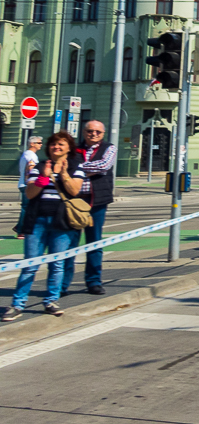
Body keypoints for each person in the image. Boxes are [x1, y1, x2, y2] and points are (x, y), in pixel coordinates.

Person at [2, 132, 86, 321]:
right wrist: (43, 178)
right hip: (37, 221)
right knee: (30, 264)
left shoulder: (75, 167)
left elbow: (74, 190)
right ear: (48, 148)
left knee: (57, 265)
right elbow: (30, 194)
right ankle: (17, 304)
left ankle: (51, 301)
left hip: (62, 222)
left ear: (69, 148)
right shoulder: (39, 167)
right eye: (54, 144)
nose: (57, 147)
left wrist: (63, 174)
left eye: (61, 144)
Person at [63, 120, 117, 296]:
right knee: (69, 244)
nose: (93, 134)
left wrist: (77, 169)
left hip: (97, 202)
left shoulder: (109, 148)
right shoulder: (73, 149)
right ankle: (62, 285)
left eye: (98, 132)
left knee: (95, 243)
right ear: (84, 132)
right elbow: (67, 169)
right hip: (74, 202)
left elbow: (103, 166)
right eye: (90, 131)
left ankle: (94, 282)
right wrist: (83, 169)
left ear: (103, 134)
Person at [13, 135, 43, 239]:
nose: (41, 145)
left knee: (27, 207)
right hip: (27, 185)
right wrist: (34, 183)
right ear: (32, 144)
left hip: (24, 184)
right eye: (39, 143)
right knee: (27, 208)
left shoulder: (26, 154)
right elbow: (31, 169)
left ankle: (19, 227)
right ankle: (21, 231)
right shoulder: (31, 155)